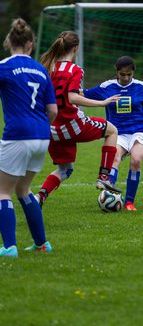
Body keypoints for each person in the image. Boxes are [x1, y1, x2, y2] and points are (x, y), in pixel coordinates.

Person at [35, 30, 122, 208]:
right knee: (112, 131)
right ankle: (104, 177)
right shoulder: (75, 70)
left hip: (52, 129)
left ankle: (40, 196)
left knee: (65, 169)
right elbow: (72, 98)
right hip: (73, 125)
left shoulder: (47, 68)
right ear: (75, 48)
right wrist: (101, 103)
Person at [82, 56, 143, 211]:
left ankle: (129, 203)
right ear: (117, 73)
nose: (126, 78)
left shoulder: (140, 86)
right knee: (115, 158)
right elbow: (82, 93)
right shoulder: (107, 86)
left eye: (129, 74)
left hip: (139, 131)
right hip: (117, 133)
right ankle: (110, 195)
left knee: (136, 160)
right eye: (122, 75)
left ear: (133, 73)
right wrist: (64, 90)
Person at [0, 18, 58, 257]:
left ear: (8, 42)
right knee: (24, 189)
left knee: (3, 191)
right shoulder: (41, 70)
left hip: (17, 135)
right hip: (42, 135)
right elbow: (53, 111)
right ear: (31, 45)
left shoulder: (4, 66)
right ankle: (42, 243)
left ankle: (10, 247)